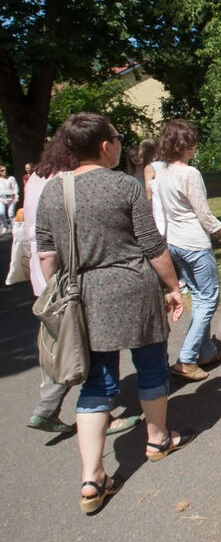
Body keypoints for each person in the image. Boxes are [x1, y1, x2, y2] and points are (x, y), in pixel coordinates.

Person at [35, 113, 192, 513]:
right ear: (106, 145)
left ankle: (92, 476)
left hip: (84, 294)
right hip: (133, 288)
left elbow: (47, 255)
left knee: (97, 382)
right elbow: (152, 246)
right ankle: (157, 438)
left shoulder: (55, 192)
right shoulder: (125, 185)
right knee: (152, 364)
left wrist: (62, 296)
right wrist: (174, 288)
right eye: (118, 139)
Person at [23, 136, 141, 436]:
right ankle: (100, 411)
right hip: (71, 273)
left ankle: (47, 407)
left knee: (65, 340)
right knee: (93, 344)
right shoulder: (64, 182)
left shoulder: (37, 178)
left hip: (49, 276)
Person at [157, 120, 221, 380]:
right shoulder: (189, 174)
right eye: (191, 141)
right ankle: (187, 358)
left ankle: (205, 351)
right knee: (208, 298)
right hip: (194, 243)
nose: (195, 146)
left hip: (175, 243)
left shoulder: (162, 172)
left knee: (199, 296)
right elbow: (204, 216)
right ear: (182, 145)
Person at [0, 164, 18, 235]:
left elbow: (15, 187)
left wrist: (16, 196)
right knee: (1, 212)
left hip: (11, 198)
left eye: (5, 170)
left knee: (11, 214)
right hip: (2, 198)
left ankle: (14, 227)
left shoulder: (11, 178)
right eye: (2, 170)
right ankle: (5, 226)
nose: (4, 171)